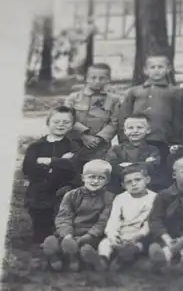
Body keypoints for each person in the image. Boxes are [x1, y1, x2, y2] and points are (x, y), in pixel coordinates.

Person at [41, 160, 114, 272]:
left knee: (87, 246)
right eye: (91, 177)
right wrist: (67, 234)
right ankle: (56, 256)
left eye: (101, 178)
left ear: (107, 181)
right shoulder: (71, 195)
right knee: (58, 241)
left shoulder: (109, 198)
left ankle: (75, 257)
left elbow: (103, 221)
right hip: (71, 232)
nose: (95, 181)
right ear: (83, 178)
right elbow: (64, 217)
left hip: (91, 235)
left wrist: (90, 235)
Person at [22, 106, 81, 244]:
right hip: (40, 189)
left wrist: (49, 161)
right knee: (40, 225)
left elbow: (73, 166)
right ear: (48, 123)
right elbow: (28, 168)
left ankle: (60, 239)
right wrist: (62, 161)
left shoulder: (73, 146)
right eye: (56, 121)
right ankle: (43, 241)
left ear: (72, 125)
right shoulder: (36, 146)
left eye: (66, 122)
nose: (61, 125)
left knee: (61, 215)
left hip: (61, 188)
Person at [95, 164, 157, 271]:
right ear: (123, 185)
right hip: (122, 234)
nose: (134, 184)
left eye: (137, 180)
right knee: (105, 243)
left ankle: (121, 260)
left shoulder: (155, 198)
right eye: (129, 182)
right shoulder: (120, 198)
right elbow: (114, 220)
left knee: (137, 246)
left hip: (139, 235)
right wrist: (113, 236)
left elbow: (149, 223)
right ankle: (102, 260)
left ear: (147, 180)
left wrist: (137, 236)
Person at [118, 54, 177, 164]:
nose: (156, 70)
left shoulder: (173, 92)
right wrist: (124, 139)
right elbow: (124, 116)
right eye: (152, 67)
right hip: (136, 139)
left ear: (168, 69)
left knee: (159, 166)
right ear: (145, 70)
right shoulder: (135, 91)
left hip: (162, 138)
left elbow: (178, 116)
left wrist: (175, 140)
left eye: (160, 67)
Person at [64, 63, 121, 161]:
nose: (97, 81)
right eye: (93, 77)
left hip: (101, 146)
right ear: (87, 78)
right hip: (76, 142)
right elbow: (67, 118)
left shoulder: (114, 100)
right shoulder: (74, 98)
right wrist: (83, 135)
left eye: (102, 78)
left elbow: (115, 122)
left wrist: (100, 138)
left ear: (108, 79)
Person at [105, 113, 161, 194]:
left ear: (148, 130)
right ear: (125, 131)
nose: (135, 131)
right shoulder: (116, 149)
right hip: (120, 188)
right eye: (130, 128)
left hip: (147, 189)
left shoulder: (153, 149)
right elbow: (113, 168)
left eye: (139, 127)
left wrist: (127, 165)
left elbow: (153, 166)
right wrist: (143, 164)